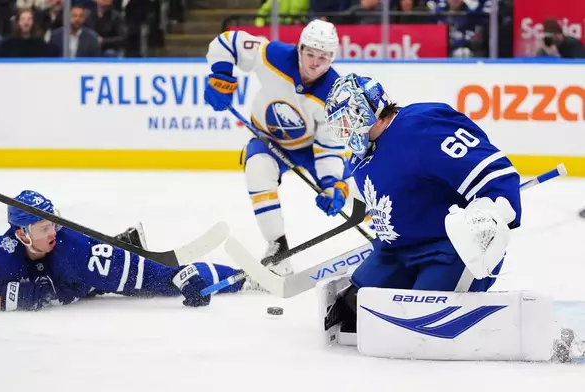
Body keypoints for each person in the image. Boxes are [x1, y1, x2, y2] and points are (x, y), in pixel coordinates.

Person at [322, 73, 522, 328]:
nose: (345, 130)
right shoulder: (361, 155)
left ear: (367, 112)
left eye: (347, 120)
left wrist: (494, 210)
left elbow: (493, 172)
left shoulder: (421, 127)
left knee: (419, 322)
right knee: (352, 311)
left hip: (449, 250)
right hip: (395, 254)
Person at [0, 153, 262, 311]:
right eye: (43, 227)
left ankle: (245, 276)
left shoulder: (72, 250)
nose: (53, 230)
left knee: (153, 278)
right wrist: (9, 300)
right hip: (69, 276)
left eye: (54, 222)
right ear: (22, 234)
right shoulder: (2, 252)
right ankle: (125, 243)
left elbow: (157, 275)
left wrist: (183, 278)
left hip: (88, 276)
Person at [204, 20, 351, 277]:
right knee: (257, 171)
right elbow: (227, 42)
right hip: (268, 140)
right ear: (299, 48)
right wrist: (221, 76)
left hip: (310, 149)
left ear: (333, 57)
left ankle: (388, 243)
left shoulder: (334, 96)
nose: (315, 63)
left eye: (324, 57)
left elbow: (329, 147)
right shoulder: (272, 55)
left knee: (350, 189)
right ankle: (278, 246)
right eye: (310, 54)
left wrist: (331, 183)